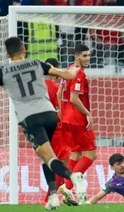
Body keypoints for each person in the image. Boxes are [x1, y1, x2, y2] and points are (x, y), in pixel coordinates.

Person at [0, 37, 86, 209]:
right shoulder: (38, 64)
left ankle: (72, 176)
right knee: (45, 156)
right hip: (49, 115)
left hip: (30, 118)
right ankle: (53, 195)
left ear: (8, 54)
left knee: (49, 157)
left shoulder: (3, 71)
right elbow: (67, 75)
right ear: (24, 49)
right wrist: (76, 68)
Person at [58, 44, 97, 205]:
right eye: (84, 56)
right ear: (77, 57)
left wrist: (61, 113)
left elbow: (60, 93)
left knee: (75, 155)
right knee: (91, 154)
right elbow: (74, 98)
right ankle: (68, 186)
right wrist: (88, 114)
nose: (87, 59)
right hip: (77, 119)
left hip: (67, 118)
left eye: (88, 55)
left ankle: (65, 187)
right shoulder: (79, 73)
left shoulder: (69, 69)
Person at [41, 58, 77, 206]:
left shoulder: (40, 87)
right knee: (62, 163)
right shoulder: (56, 88)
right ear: (55, 71)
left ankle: (62, 192)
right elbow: (59, 111)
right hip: (57, 128)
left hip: (43, 129)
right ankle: (50, 198)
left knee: (55, 162)